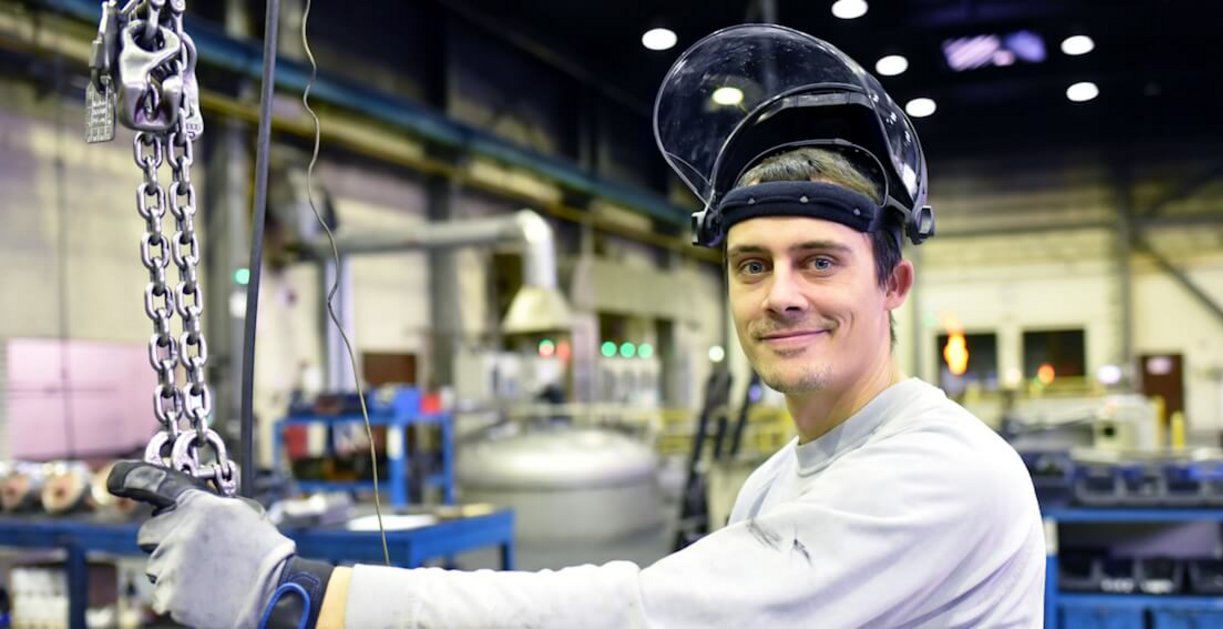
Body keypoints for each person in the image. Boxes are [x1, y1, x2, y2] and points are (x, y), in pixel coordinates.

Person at [109, 24, 1044, 628]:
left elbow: (645, 612)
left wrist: (303, 595)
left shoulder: (943, 471)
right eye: (752, 265)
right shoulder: (776, 480)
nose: (781, 294)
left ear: (894, 284)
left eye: (820, 261)